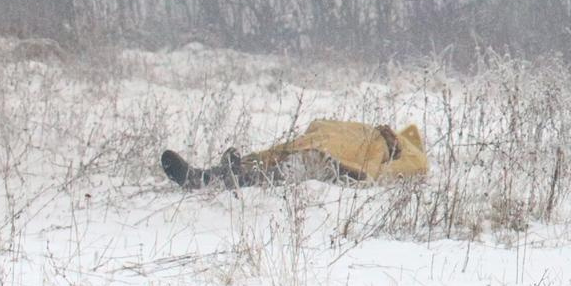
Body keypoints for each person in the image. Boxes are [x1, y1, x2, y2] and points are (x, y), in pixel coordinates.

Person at [161, 121, 430, 189]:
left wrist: (360, 175)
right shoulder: (367, 132)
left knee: (276, 171)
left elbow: (388, 173)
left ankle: (214, 179)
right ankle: (217, 174)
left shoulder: (411, 155)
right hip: (318, 152)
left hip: (328, 162)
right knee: (279, 158)